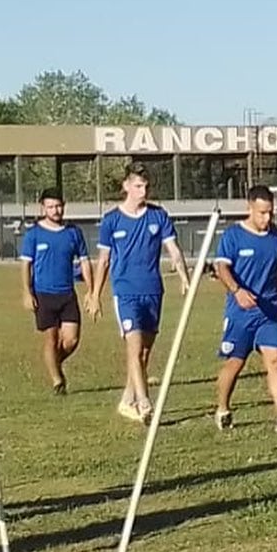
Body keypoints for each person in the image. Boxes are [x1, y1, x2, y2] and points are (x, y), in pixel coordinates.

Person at [91, 163, 190, 424]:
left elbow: (174, 250)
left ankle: (126, 400)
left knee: (145, 353)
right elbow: (103, 260)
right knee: (134, 349)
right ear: (126, 187)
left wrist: (184, 278)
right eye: (137, 186)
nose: (142, 191)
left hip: (153, 291)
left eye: (145, 186)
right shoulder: (112, 220)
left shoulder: (158, 216)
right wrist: (94, 294)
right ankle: (145, 403)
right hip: (125, 292)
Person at [212, 185, 277, 434]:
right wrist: (237, 291)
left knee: (275, 361)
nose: (267, 218)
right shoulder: (233, 236)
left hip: (269, 313)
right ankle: (222, 408)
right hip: (240, 313)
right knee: (235, 363)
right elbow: (221, 268)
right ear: (249, 208)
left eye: (270, 212)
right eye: (262, 213)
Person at [20, 188, 97, 396]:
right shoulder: (33, 235)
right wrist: (27, 293)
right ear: (43, 208)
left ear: (64, 205)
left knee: (71, 341)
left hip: (67, 294)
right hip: (44, 295)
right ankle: (57, 380)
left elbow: (85, 262)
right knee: (51, 339)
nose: (55, 210)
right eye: (50, 206)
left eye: (58, 206)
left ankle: (53, 363)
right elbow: (26, 266)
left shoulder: (73, 233)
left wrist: (92, 291)